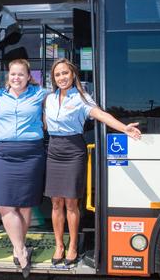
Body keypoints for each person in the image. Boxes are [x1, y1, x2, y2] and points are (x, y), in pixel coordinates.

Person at [44, 58, 141, 266]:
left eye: (65, 73)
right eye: (57, 74)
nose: (61, 77)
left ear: (73, 75)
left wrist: (124, 128)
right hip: (53, 151)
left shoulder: (82, 98)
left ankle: (72, 246)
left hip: (73, 150)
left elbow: (101, 115)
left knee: (71, 202)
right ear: (53, 78)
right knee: (55, 202)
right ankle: (59, 245)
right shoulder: (49, 99)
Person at [0, 59, 47, 278]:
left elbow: (63, 94)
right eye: (13, 74)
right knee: (4, 204)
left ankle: (19, 247)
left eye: (21, 74)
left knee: (24, 206)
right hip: (3, 154)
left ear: (28, 76)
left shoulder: (39, 94)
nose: (16, 78)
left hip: (31, 153)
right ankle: (21, 249)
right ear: (8, 76)